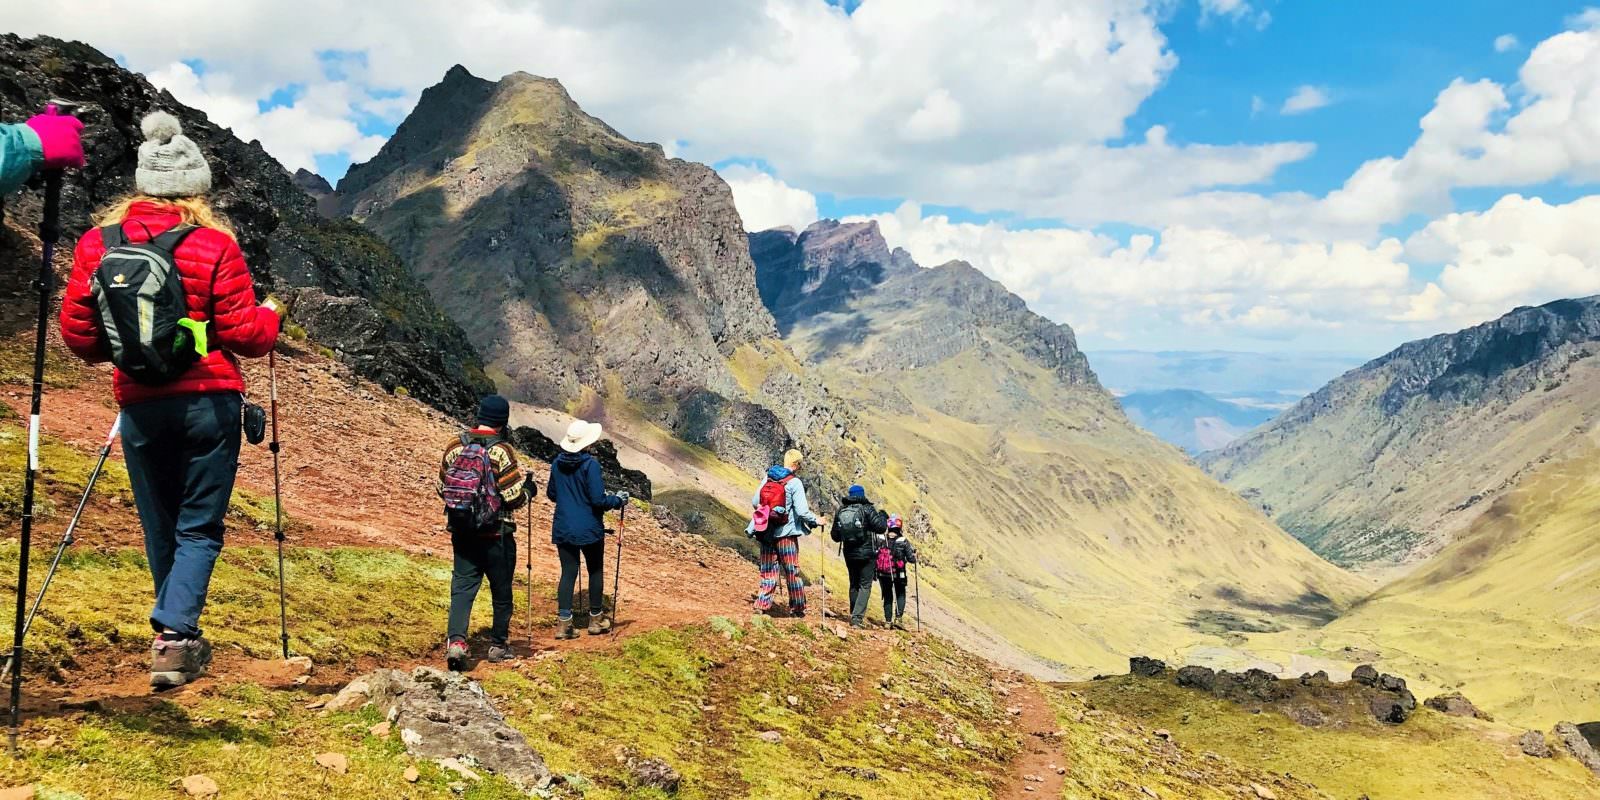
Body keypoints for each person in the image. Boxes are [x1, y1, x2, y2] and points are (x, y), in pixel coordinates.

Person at [59, 112, 281, 689]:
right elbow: (246, 336)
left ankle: (170, 639)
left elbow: (80, 339)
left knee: (160, 525)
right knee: (198, 526)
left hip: (140, 405)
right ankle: (177, 638)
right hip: (209, 402)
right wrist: (272, 314)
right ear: (195, 189)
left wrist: (132, 349)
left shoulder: (97, 245)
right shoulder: (213, 245)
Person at [437, 394, 534, 670]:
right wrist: (529, 490)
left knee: (462, 587)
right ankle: (498, 645)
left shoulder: (455, 445)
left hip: (462, 531)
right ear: (502, 422)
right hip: (496, 533)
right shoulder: (502, 451)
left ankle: (457, 642)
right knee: (501, 590)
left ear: (479, 416)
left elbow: (442, 488)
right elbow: (513, 497)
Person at [547, 419, 628, 639]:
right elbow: (598, 499)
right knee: (595, 570)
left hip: (563, 526)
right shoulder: (590, 465)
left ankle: (564, 624)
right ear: (587, 443)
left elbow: (552, 494)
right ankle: (596, 619)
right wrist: (618, 500)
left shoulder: (556, 464)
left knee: (568, 572)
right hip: (589, 528)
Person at [748, 449, 821, 617]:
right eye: (800, 465)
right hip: (787, 534)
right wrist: (816, 520)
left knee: (768, 569)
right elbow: (802, 511)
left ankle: (762, 605)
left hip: (767, 531)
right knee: (792, 571)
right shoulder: (795, 482)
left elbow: (755, 502)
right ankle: (797, 609)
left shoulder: (768, 477)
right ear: (796, 464)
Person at [832, 484, 888, 629]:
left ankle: (854, 613)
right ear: (862, 495)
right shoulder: (867, 508)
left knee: (854, 583)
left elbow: (835, 536)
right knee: (865, 585)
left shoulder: (841, 510)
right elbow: (881, 528)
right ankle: (857, 619)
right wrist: (882, 516)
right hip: (867, 554)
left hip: (849, 553)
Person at [1, 106, 85, 194]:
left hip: (16, 134)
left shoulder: (41, 119)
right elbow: (79, 163)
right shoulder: (74, 149)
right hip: (28, 155)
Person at [876, 515, 917, 629]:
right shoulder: (903, 541)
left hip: (883, 573)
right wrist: (915, 555)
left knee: (887, 595)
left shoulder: (881, 539)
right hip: (899, 573)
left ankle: (887, 621)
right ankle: (898, 618)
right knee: (900, 593)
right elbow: (911, 559)